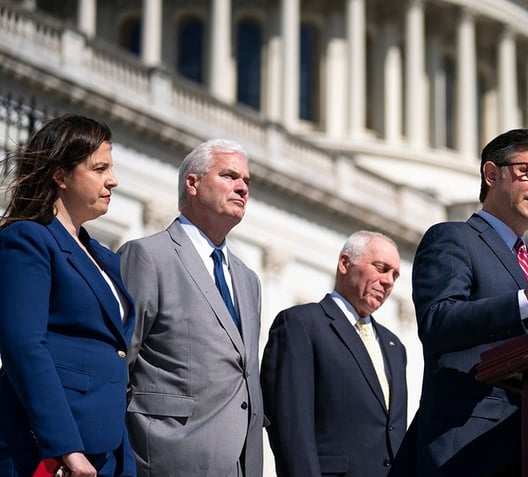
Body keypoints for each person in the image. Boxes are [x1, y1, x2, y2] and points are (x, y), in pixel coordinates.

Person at [390, 129, 528, 477]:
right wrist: (525, 300)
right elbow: (438, 321)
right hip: (467, 450)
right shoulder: (454, 239)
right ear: (492, 174)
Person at [0, 115, 136, 477]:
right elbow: (24, 347)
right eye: (100, 168)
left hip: (109, 450)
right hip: (52, 453)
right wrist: (66, 448)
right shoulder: (28, 239)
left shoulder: (107, 259)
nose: (113, 180)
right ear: (60, 175)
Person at [118, 139, 263, 477]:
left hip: (240, 463)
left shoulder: (248, 279)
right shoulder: (147, 256)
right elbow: (119, 363)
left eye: (246, 181)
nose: (242, 187)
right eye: (229, 176)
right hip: (165, 458)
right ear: (193, 183)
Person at [261, 230, 408, 477]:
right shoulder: (301, 325)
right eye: (380, 268)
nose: (388, 281)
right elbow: (291, 428)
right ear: (345, 264)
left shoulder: (395, 347)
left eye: (394, 275)